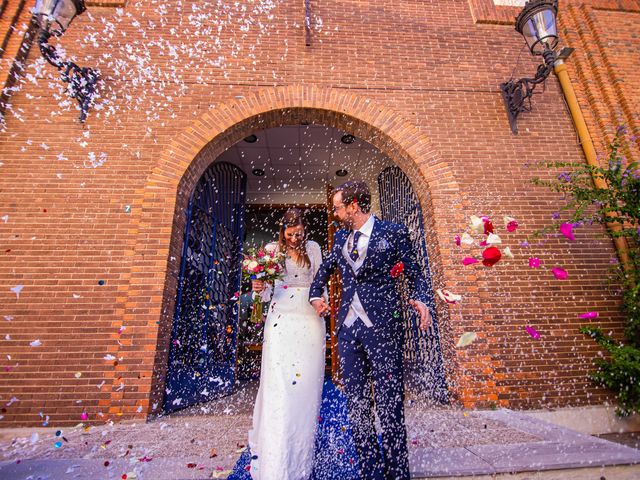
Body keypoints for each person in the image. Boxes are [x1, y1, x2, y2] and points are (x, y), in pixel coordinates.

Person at [309, 180, 432, 480]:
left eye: (338, 208)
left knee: (390, 404)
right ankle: (371, 471)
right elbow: (322, 274)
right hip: (349, 331)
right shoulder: (339, 239)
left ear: (353, 206)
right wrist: (315, 296)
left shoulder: (393, 232)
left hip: (385, 329)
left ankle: (398, 472)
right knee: (357, 404)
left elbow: (415, 271)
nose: (336, 214)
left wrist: (421, 299)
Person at [247, 208, 326, 480]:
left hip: (309, 315)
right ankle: (277, 448)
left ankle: (302, 445)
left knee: (305, 383)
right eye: (291, 234)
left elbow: (320, 281)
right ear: (282, 232)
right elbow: (268, 291)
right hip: (281, 314)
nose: (295, 239)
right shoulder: (272, 249)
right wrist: (259, 288)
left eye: (299, 234)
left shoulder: (313, 248)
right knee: (280, 382)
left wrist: (322, 302)